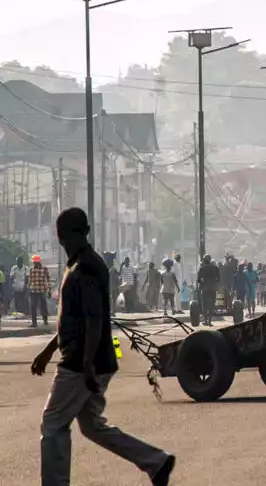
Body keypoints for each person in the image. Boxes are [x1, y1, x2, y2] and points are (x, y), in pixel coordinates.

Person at [31, 207, 176, 486]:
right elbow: (73, 318)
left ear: (75, 234)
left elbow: (94, 318)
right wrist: (48, 350)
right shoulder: (78, 264)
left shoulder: (85, 267)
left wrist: (86, 363)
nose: (61, 242)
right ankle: (156, 462)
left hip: (80, 362)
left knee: (52, 423)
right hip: (91, 359)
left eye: (62, 236)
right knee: (92, 426)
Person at [28, 255, 53, 327]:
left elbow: (48, 279)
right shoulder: (31, 269)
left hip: (42, 290)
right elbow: (30, 280)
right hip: (33, 290)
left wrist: (49, 290)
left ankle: (45, 321)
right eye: (34, 262)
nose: (35, 263)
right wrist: (28, 289)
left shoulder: (44, 269)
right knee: (33, 306)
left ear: (39, 262)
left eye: (36, 262)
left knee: (43, 306)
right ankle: (34, 322)